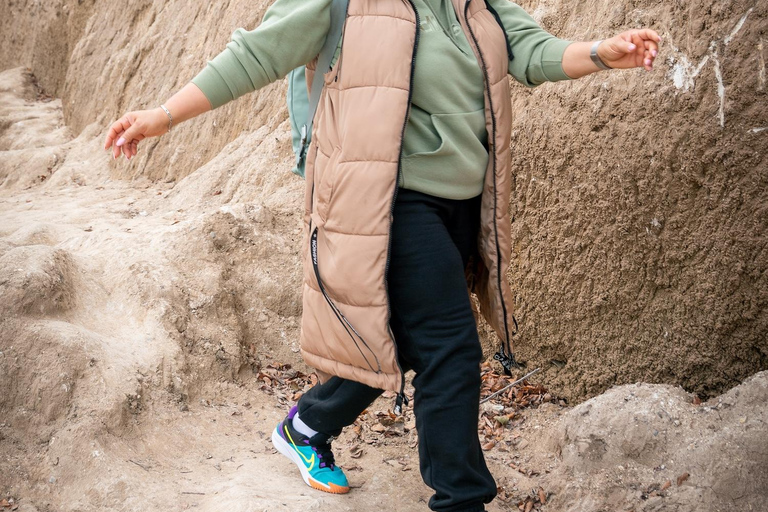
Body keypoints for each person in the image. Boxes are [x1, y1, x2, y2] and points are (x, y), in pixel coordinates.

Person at [104, 0, 661, 510]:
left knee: (392, 334)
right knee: (451, 348)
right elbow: (256, 54)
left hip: (462, 205)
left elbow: (532, 51)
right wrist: (162, 117)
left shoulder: (472, 3)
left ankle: (306, 428)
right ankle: (461, 499)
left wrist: (601, 54)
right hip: (387, 202)